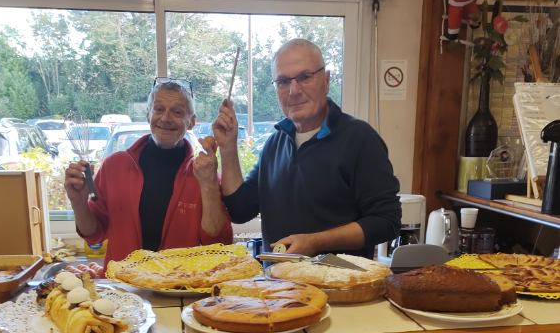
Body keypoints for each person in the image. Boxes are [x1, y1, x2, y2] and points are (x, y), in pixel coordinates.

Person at [212, 39, 401, 258]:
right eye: (283, 81)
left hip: (339, 288)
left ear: (326, 80)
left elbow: (386, 221)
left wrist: (315, 242)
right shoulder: (275, 143)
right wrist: (227, 147)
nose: (294, 90)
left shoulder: (360, 138)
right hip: (277, 287)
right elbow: (241, 210)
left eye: (304, 77)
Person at [64, 79, 232, 268]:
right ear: (148, 115)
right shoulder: (114, 166)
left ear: (191, 122)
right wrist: (78, 202)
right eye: (158, 109)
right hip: (123, 290)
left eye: (177, 112)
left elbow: (219, 245)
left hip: (176, 289)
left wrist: (208, 184)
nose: (165, 118)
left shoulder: (204, 174)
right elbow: (93, 235)